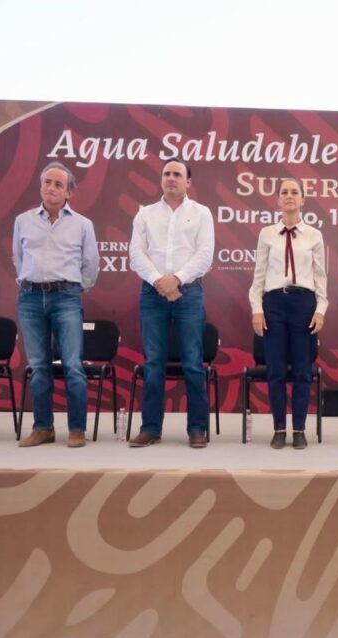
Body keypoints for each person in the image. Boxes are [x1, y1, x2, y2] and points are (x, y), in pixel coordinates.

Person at [128, 158, 215, 448]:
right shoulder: (145, 214)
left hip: (188, 293)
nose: (171, 178)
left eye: (177, 174)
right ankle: (151, 428)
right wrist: (158, 281)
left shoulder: (202, 214)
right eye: (166, 173)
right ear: (161, 179)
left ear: (188, 182)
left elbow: (204, 255)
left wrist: (176, 279)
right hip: (152, 294)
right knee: (154, 363)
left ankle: (197, 429)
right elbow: (136, 254)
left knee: (192, 362)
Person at [13, 162, 99, 448]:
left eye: (58, 184)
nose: (51, 188)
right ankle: (43, 428)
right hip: (30, 298)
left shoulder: (83, 224)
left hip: (66, 298)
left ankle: (77, 429)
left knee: (73, 365)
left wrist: (73, 288)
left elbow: (91, 266)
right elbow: (18, 258)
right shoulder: (23, 221)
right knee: (38, 366)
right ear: (40, 186)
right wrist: (31, 281)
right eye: (47, 182)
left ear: (69, 193)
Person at [248, 179, 327, 449]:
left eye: (295, 192)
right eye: (285, 192)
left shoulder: (313, 235)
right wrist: (257, 308)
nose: (290, 196)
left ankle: (300, 429)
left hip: (304, 303)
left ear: (303, 200)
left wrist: (320, 309)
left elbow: (320, 276)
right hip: (274, 304)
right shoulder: (267, 233)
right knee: (276, 370)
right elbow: (259, 275)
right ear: (278, 200)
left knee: (303, 371)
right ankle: (279, 428)